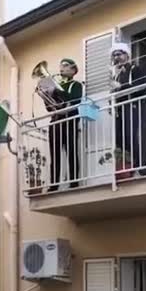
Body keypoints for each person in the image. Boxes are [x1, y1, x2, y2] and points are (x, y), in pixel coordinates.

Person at [110, 43, 146, 175]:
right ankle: (125, 170)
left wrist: (120, 87)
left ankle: (139, 168)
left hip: (132, 107)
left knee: (132, 138)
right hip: (119, 110)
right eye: (114, 55)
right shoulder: (115, 74)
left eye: (119, 54)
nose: (117, 57)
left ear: (127, 55)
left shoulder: (134, 68)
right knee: (120, 140)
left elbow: (141, 87)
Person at [46, 58, 83, 191]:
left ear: (73, 70)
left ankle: (74, 182)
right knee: (54, 154)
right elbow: (50, 108)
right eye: (61, 66)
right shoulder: (58, 85)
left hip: (70, 121)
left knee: (71, 152)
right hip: (55, 121)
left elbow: (74, 100)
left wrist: (55, 90)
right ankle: (54, 184)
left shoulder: (76, 85)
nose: (62, 68)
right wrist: (47, 94)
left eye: (66, 66)